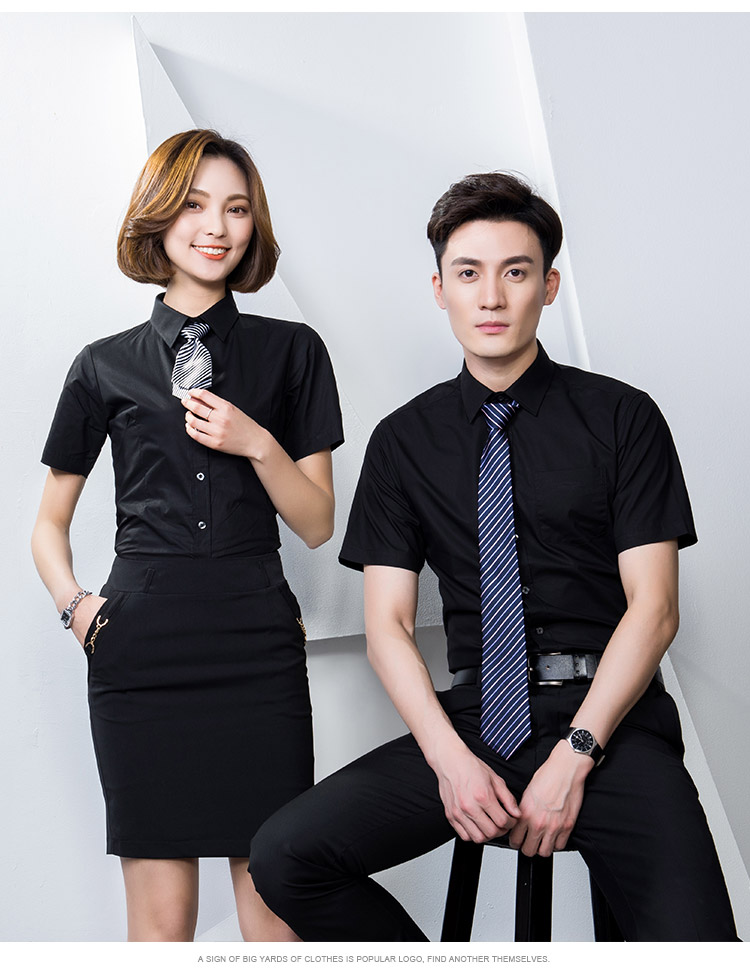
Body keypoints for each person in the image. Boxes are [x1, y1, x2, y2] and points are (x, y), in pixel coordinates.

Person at [248, 172, 739, 942]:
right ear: (439, 288)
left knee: (701, 947)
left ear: (548, 287)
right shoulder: (404, 442)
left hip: (610, 725)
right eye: (469, 273)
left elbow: (656, 607)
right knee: (285, 856)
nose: (491, 296)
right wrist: (449, 760)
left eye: (515, 272)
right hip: (476, 724)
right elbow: (387, 626)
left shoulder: (623, 417)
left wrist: (575, 754)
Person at [31, 129, 343, 942]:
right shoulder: (102, 365)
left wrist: (257, 442)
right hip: (141, 650)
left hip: (256, 645)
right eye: (195, 204)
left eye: (236, 208)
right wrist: (76, 609)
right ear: (159, 216)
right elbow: (48, 524)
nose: (216, 225)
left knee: (275, 915)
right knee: (162, 926)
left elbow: (316, 523)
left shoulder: (294, 351)